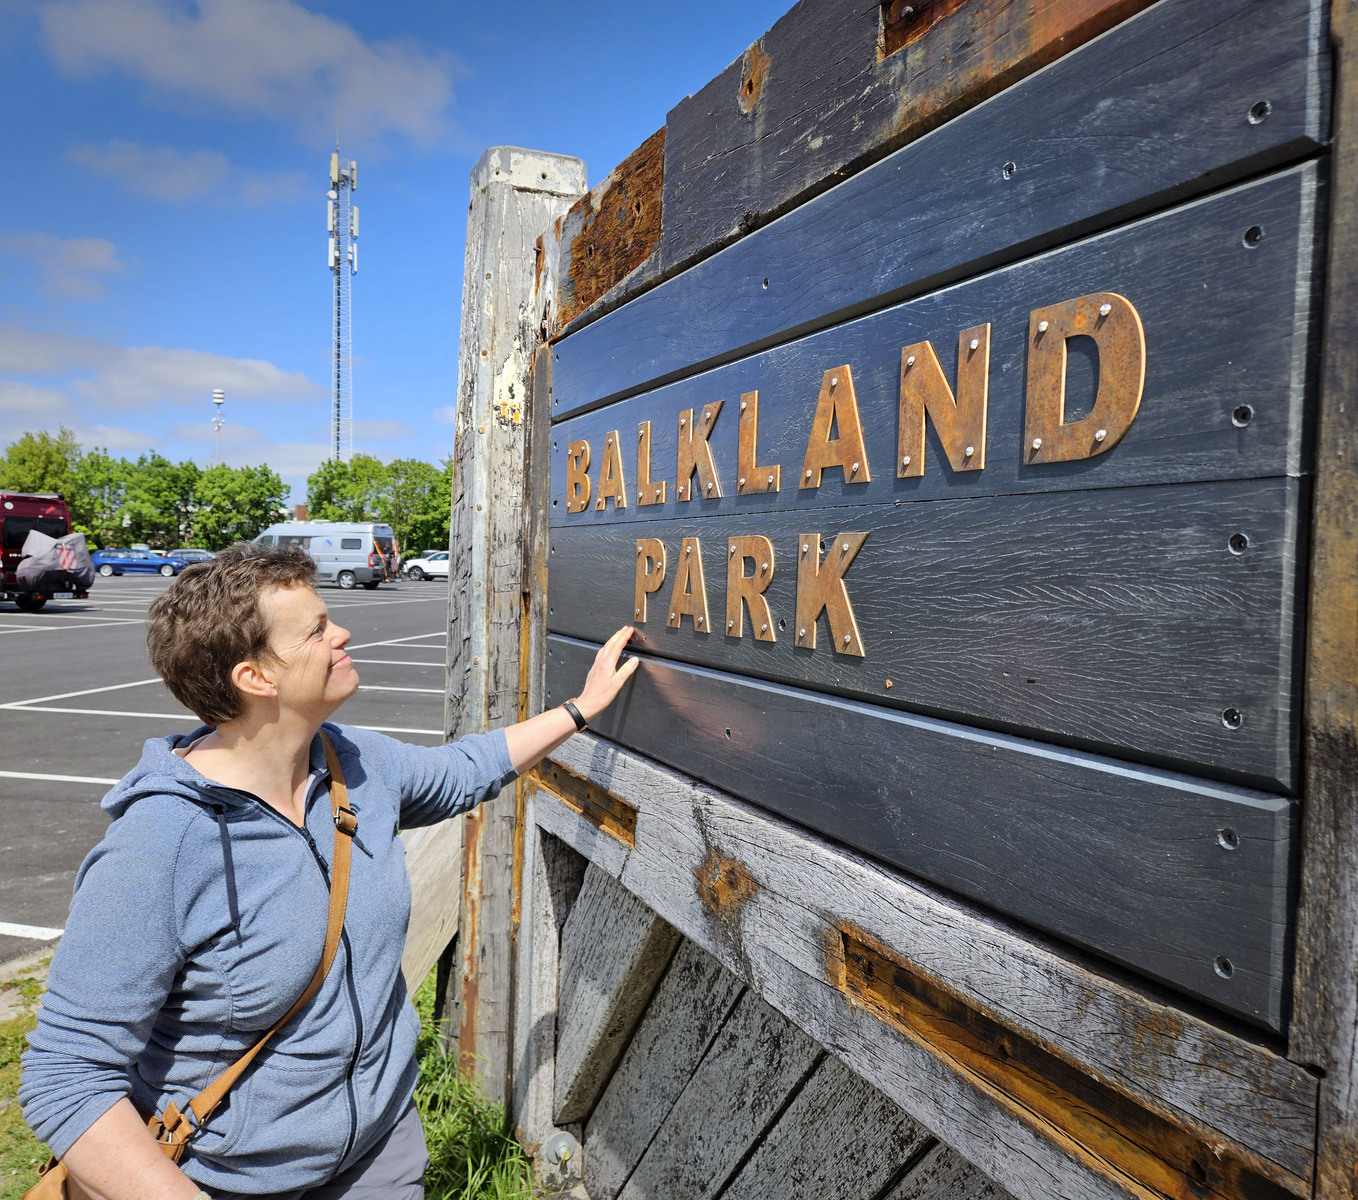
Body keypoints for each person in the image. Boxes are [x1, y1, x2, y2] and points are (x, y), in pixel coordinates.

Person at [19, 542, 638, 1199]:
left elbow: (465, 769)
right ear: (255, 678)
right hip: (234, 1180)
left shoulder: (353, 764)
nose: (342, 632)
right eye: (316, 629)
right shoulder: (161, 847)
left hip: (380, 1157)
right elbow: (67, 1076)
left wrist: (580, 708)